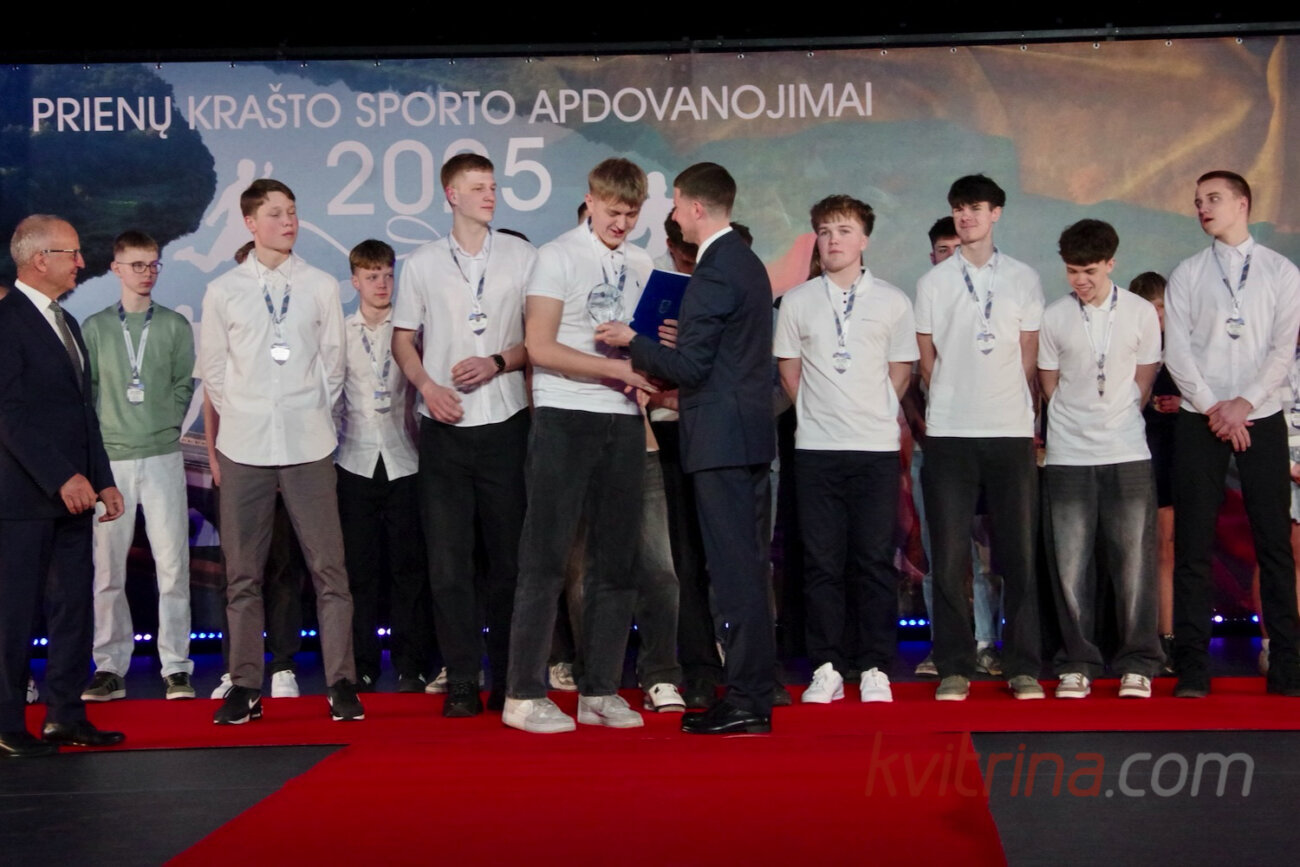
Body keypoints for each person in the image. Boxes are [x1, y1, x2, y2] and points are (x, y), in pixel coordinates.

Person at [597, 162, 777, 734]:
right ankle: (753, 692)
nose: (672, 213)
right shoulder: (741, 262)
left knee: (735, 575)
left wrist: (633, 341)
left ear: (697, 208)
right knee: (744, 570)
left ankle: (748, 700)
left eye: (675, 203)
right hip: (741, 436)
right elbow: (719, 359)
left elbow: (693, 367)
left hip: (722, 440)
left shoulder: (715, 270)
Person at [199, 179, 363, 724]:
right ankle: (245, 685)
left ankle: (341, 682)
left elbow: (334, 364)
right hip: (244, 445)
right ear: (250, 223)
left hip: (308, 443)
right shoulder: (224, 290)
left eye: (292, 212)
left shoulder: (318, 285)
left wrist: (305, 410)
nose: (288, 222)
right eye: (275, 214)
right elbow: (215, 371)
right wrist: (249, 412)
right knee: (243, 574)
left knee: (329, 569)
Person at [503, 158, 658, 734]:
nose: (622, 224)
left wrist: (652, 358)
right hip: (565, 416)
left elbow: (645, 340)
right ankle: (523, 693)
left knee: (617, 560)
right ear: (590, 200)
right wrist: (615, 369)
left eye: (632, 215)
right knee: (545, 558)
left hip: (624, 419)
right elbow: (540, 347)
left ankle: (600, 690)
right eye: (613, 211)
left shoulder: (642, 263)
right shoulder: (556, 256)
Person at [392, 154, 534, 716]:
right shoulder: (423, 263)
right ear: (451, 195)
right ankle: (461, 681)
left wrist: (498, 361)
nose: (490, 195)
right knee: (449, 565)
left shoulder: (521, 256)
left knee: (508, 563)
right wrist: (427, 387)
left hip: (506, 421)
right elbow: (402, 339)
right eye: (478, 187)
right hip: (445, 428)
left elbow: (539, 338)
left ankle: (510, 678)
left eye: (493, 186)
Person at [774, 195, 917, 704]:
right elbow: (789, 373)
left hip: (874, 448)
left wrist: (871, 412)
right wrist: (821, 414)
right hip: (817, 450)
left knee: (874, 561)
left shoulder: (893, 301)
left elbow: (901, 372)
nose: (833, 240)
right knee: (821, 563)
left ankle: (875, 665)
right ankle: (826, 666)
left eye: (844, 230)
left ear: (864, 240)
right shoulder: (797, 301)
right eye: (825, 231)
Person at [1164, 170, 1300, 697]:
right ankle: (1194, 666)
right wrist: (1214, 408)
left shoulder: (1281, 271)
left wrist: (1244, 405)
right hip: (1201, 418)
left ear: (1242, 204)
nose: (1203, 208)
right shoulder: (1188, 273)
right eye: (1198, 201)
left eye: (1213, 199)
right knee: (1193, 544)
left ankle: (1286, 663)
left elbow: (1283, 350)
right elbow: (1177, 351)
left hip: (1260, 416)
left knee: (1275, 544)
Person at [915, 174, 1045, 701]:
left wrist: (1008, 402)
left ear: (996, 213)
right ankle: (954, 665)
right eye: (958, 208)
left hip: (1009, 431)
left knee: (1018, 555)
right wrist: (951, 398)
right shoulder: (934, 282)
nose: (965, 216)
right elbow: (927, 359)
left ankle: (1023, 665)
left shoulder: (1023, 278)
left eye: (974, 207)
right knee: (949, 558)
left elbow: (1029, 355)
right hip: (950, 432)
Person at [0, 215, 126, 757]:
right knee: (14, 614)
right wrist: (61, 476)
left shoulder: (66, 321)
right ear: (38, 260)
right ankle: (6, 723)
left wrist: (102, 479)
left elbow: (82, 412)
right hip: (22, 499)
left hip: (75, 498)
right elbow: (8, 414)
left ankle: (65, 716)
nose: (80, 262)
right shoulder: (6, 321)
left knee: (74, 607)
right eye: (70, 253)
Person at [1038, 219, 1162, 699]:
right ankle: (1078, 661)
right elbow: (1048, 383)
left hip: (1127, 450)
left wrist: (1118, 412)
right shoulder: (1055, 316)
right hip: (1068, 454)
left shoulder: (1140, 313)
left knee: (1134, 563)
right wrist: (1074, 421)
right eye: (1072, 271)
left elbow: (1145, 379)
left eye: (1089, 271)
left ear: (1111, 263)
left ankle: (1138, 661)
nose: (1080, 280)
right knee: (1070, 565)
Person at [79, 230, 196, 702]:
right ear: (116, 269)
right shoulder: (94, 328)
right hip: (112, 461)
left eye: (153, 264)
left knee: (173, 566)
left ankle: (177, 667)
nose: (147, 273)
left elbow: (184, 384)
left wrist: (166, 425)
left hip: (163, 455)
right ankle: (110, 666)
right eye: (137, 265)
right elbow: (86, 393)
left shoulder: (173, 325)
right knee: (108, 571)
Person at [909, 217, 1004, 679]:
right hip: (933, 447)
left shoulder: (989, 303)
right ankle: (942, 644)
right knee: (939, 556)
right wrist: (923, 426)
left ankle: (986, 642)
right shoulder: (924, 300)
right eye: (942, 250)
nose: (950, 256)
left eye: (956, 248)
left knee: (983, 556)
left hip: (985, 443)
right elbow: (909, 378)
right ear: (933, 256)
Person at [338, 240, 433, 695]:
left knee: (409, 569)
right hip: (353, 460)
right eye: (372, 276)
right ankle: (362, 663)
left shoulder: (412, 331)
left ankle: (410, 664)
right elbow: (331, 398)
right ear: (355, 280)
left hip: (405, 459)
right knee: (359, 571)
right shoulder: (340, 332)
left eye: (388, 275)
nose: (382, 284)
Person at [1130, 271, 1179, 674]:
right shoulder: (1128, 348)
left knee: (1171, 548)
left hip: (1175, 454)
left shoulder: (1184, 350)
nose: (1156, 317)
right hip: (1137, 452)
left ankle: (1173, 635)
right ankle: (1145, 638)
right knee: (1138, 550)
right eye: (1149, 309)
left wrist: (1183, 403)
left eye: (1161, 309)